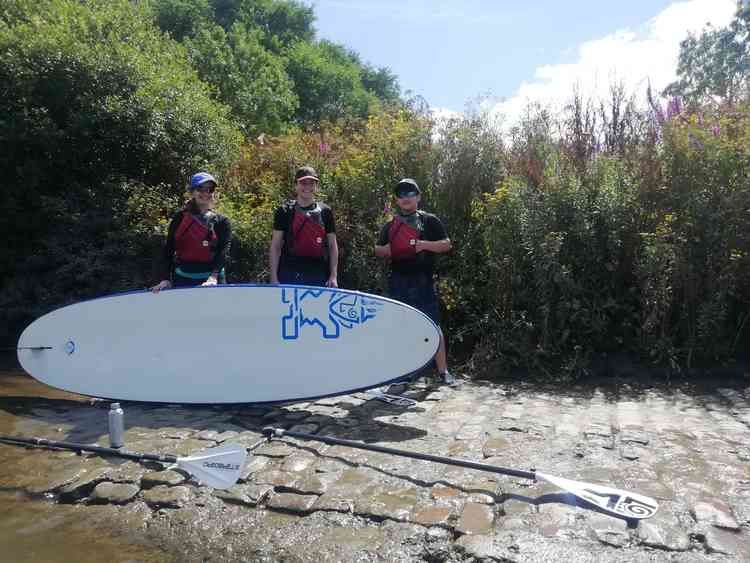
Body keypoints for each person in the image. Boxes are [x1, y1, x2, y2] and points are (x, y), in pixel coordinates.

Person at [375, 178, 457, 386]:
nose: (406, 198)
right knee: (402, 329)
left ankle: (443, 372)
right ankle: (404, 373)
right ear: (396, 199)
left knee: (433, 325)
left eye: (410, 194)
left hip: (423, 281)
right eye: (401, 195)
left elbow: (446, 244)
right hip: (399, 281)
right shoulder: (391, 224)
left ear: (418, 197)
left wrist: (422, 245)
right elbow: (378, 249)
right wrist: (396, 249)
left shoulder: (429, 221)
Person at [152, 172, 232, 292]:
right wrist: (165, 279)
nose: (205, 193)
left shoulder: (222, 222)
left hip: (213, 281)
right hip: (183, 280)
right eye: (200, 188)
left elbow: (223, 252)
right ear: (192, 192)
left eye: (210, 189)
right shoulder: (179, 218)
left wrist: (213, 277)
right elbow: (168, 249)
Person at [269, 166, 339, 287]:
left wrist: (333, 276)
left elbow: (332, 245)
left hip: (317, 272)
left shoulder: (325, 211)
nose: (307, 187)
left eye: (311, 183)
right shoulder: (284, 211)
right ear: (296, 185)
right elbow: (275, 246)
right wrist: (273, 278)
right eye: (303, 183)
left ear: (316, 186)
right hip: (289, 272)